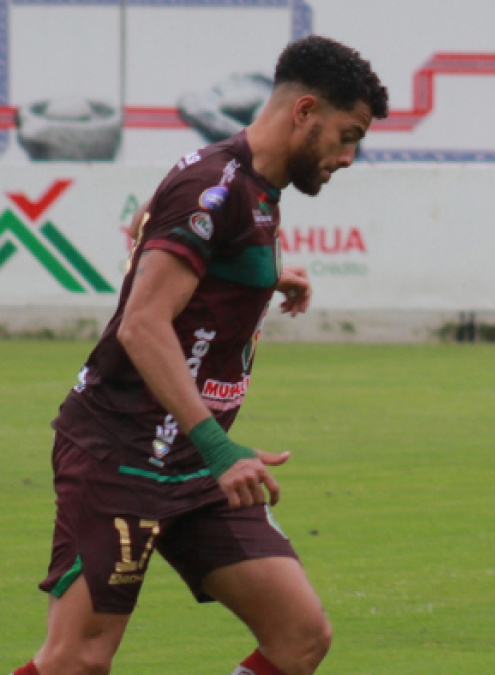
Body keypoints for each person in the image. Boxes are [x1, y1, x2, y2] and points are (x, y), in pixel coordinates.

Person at [9, 36, 388, 675]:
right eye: (346, 135)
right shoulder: (214, 183)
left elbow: (148, 228)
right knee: (77, 661)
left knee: (299, 637)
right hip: (121, 453)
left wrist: (263, 277)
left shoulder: (248, 183)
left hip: (192, 466)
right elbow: (142, 325)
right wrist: (220, 448)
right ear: (304, 112)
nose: (348, 156)